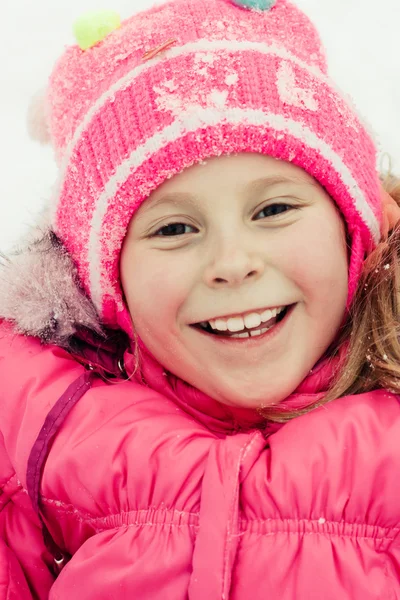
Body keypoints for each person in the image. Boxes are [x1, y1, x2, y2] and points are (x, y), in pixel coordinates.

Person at [1, 0, 400, 597]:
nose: (233, 265)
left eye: (274, 209)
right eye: (173, 229)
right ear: (105, 283)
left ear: (354, 228)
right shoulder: (35, 440)